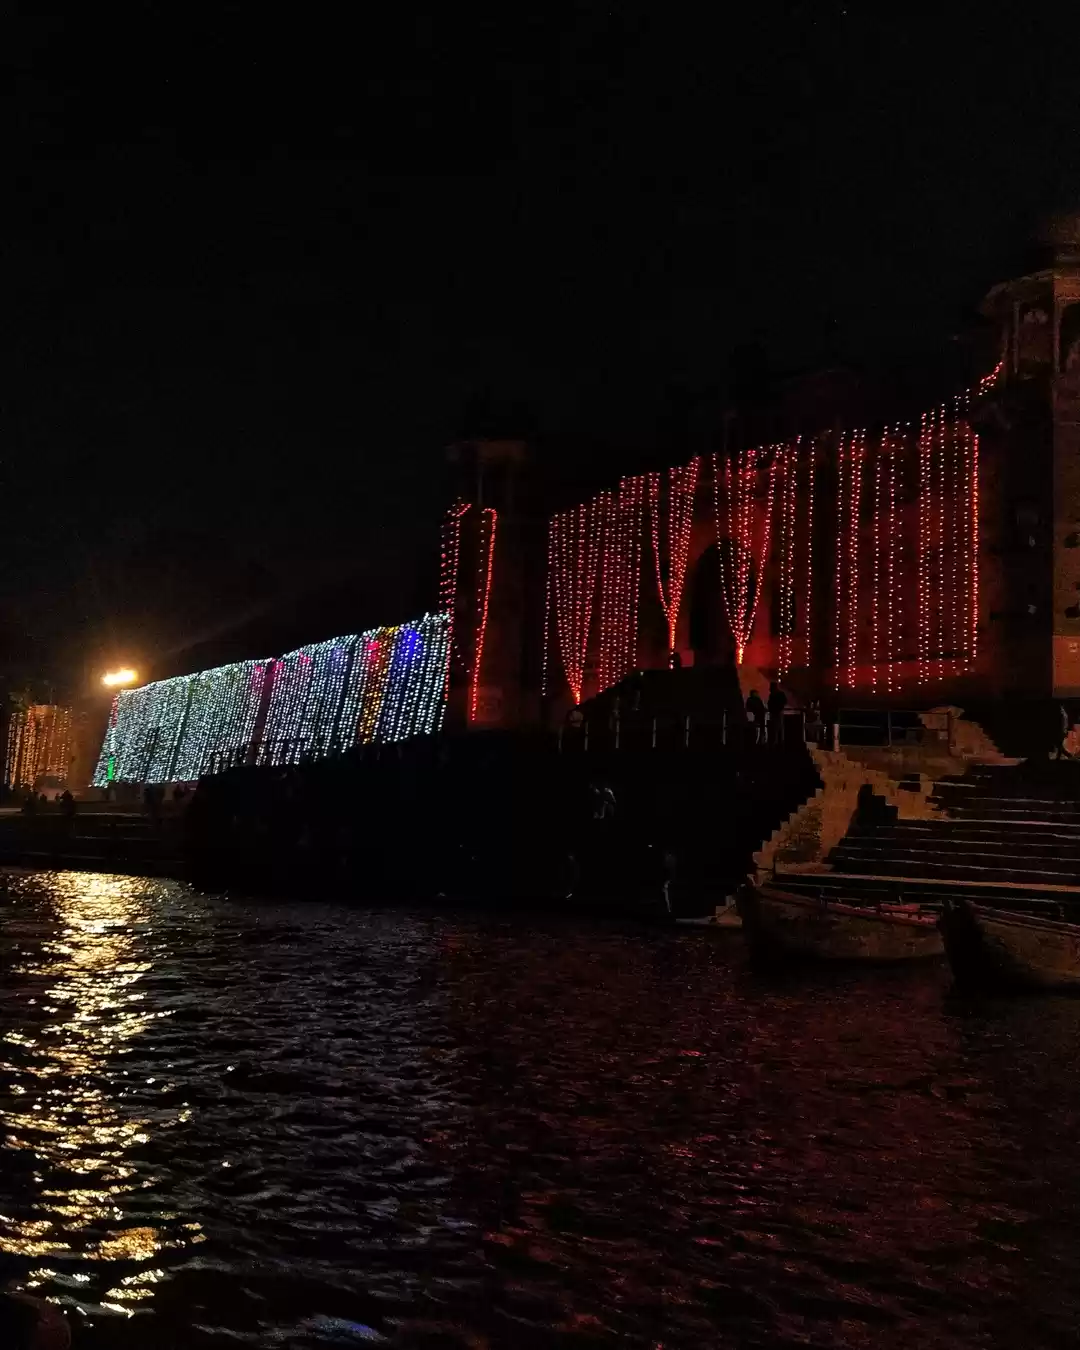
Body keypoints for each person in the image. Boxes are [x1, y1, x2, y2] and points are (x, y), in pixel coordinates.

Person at [767, 681, 788, 745]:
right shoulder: (780, 693)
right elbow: (785, 701)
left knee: (774, 727)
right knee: (779, 727)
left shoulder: (772, 695)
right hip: (778, 712)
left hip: (774, 712)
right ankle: (780, 741)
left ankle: (775, 741)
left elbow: (770, 703)